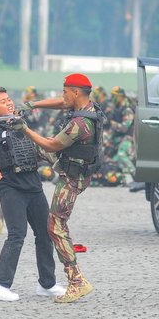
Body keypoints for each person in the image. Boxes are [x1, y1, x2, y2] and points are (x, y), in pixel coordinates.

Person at [0, 86, 65, 302]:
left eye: (9, 99)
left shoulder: (21, 123)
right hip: (10, 186)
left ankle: (47, 284)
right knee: (17, 234)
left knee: (45, 233)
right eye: (2, 101)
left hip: (34, 184)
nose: (9, 103)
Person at [15, 73, 104, 302]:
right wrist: (31, 105)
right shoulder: (87, 105)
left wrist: (25, 129)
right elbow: (60, 103)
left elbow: (52, 144)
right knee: (29, 150)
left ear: (76, 92)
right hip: (71, 162)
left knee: (55, 226)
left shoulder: (80, 124)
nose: (62, 95)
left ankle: (76, 281)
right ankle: (19, 187)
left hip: (72, 177)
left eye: (65, 91)